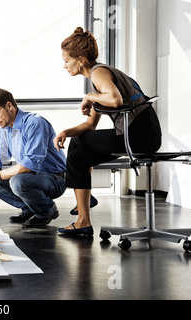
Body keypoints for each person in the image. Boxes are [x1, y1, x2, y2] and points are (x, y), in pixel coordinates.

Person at [54, 27, 162, 236]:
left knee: (79, 146)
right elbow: (89, 125)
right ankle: (83, 212)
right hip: (141, 134)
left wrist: (88, 97)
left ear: (81, 59)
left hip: (139, 134)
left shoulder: (99, 73)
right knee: (79, 152)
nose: (64, 65)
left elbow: (115, 99)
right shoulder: (98, 82)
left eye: (67, 60)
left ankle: (83, 212)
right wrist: (65, 132)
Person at [0, 88, 67, 227]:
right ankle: (30, 208)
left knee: (17, 181)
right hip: (31, 178)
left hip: (54, 179)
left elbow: (28, 166)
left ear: (9, 105)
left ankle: (46, 209)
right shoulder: (5, 130)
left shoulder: (34, 123)